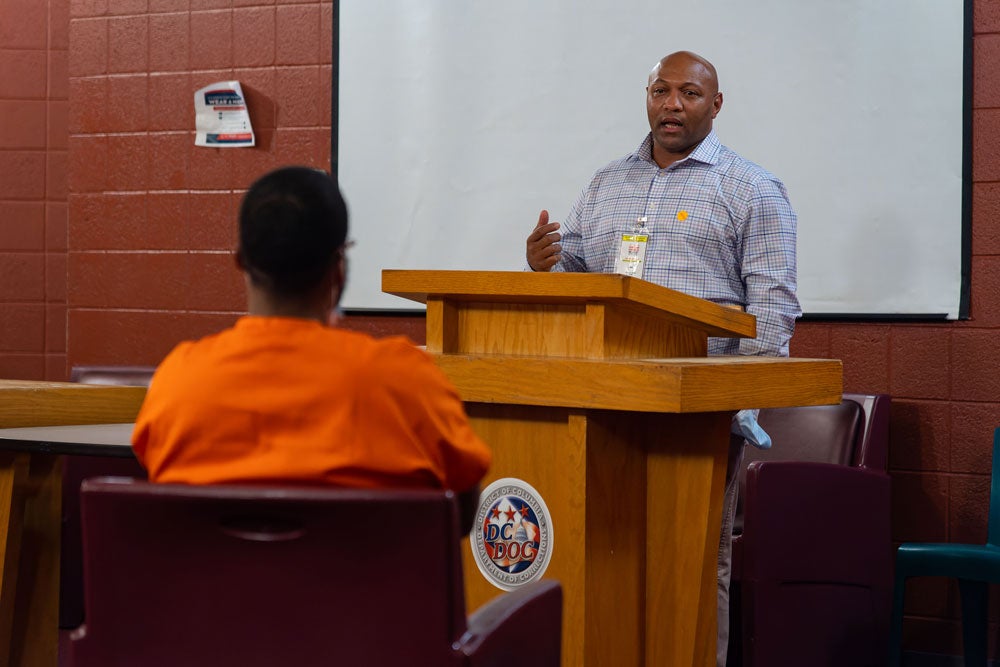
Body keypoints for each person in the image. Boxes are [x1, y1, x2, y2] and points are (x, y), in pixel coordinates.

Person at [525, 51, 800, 666]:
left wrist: (737, 404)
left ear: (716, 104)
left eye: (689, 94)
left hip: (696, 410)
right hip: (605, 404)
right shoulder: (606, 182)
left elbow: (772, 312)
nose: (672, 104)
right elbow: (577, 275)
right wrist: (545, 263)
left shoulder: (751, 189)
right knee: (603, 549)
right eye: (661, 90)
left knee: (695, 559)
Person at [132, 166, 491, 529]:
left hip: (214, 587)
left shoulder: (178, 383)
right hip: (362, 587)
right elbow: (460, 514)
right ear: (338, 268)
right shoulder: (408, 380)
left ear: (241, 261)